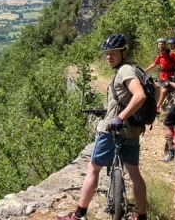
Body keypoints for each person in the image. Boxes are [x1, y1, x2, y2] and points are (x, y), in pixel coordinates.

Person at [58, 34, 148, 220]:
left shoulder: (124, 71)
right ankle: (141, 216)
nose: (109, 57)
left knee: (93, 169)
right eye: (107, 53)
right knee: (134, 173)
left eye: (113, 53)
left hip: (112, 131)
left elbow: (140, 96)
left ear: (124, 53)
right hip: (132, 131)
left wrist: (119, 117)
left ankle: (78, 215)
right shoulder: (134, 69)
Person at [144, 38, 175, 112]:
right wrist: (145, 71)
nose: (160, 46)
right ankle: (164, 105)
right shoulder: (160, 55)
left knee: (164, 91)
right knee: (156, 88)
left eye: (162, 44)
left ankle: (158, 107)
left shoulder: (170, 54)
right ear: (157, 46)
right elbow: (154, 64)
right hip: (162, 76)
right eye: (159, 45)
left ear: (165, 45)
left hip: (170, 76)